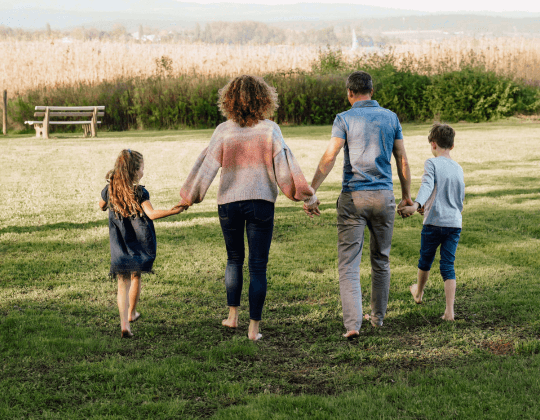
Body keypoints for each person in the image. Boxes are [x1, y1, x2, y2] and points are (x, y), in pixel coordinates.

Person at [177, 75, 317, 341]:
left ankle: (232, 317)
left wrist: (190, 196)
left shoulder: (224, 130)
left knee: (234, 259)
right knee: (258, 265)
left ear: (228, 100)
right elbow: (287, 169)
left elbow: (206, 167)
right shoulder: (270, 130)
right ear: (264, 99)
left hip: (229, 203)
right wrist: (306, 197)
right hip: (261, 202)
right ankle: (254, 329)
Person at [304, 70, 412, 338]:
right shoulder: (391, 117)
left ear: (350, 93)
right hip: (384, 197)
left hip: (354, 198)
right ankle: (377, 319)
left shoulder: (344, 118)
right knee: (381, 259)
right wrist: (407, 195)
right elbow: (402, 160)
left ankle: (353, 325)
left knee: (349, 264)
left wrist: (311, 192)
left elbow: (329, 157)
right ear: (372, 92)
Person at [99, 149, 186, 338]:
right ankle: (131, 313)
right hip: (137, 242)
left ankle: (124, 325)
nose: (143, 172)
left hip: (120, 244)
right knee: (135, 277)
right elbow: (151, 214)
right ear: (134, 171)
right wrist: (174, 211)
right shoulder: (139, 192)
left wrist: (108, 203)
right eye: (142, 168)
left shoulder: (110, 189)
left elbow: (101, 205)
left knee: (122, 283)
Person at [399, 123, 465, 321]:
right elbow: (458, 198)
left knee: (425, 261)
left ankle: (418, 293)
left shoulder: (432, 163)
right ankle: (449, 312)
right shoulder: (458, 168)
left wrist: (416, 204)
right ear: (452, 146)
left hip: (433, 223)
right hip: (454, 223)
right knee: (448, 266)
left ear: (433, 144)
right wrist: (425, 207)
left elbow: (427, 186)